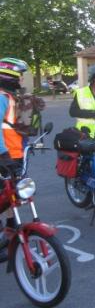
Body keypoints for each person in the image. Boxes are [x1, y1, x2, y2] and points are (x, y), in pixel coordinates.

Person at [0, 57, 29, 262]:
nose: (20, 81)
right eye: (18, 76)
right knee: (3, 195)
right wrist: (3, 156)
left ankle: (10, 228)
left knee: (11, 195)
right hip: (5, 156)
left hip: (15, 154)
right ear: (8, 77)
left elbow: (13, 125)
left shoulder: (10, 96)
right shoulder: (1, 97)